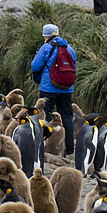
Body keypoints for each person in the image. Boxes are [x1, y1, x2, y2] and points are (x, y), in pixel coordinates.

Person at [31, 24, 76, 158]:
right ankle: (69, 150)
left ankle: (46, 147)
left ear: (46, 35)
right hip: (66, 88)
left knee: (46, 115)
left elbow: (35, 65)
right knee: (67, 117)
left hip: (49, 87)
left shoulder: (47, 47)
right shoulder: (69, 47)